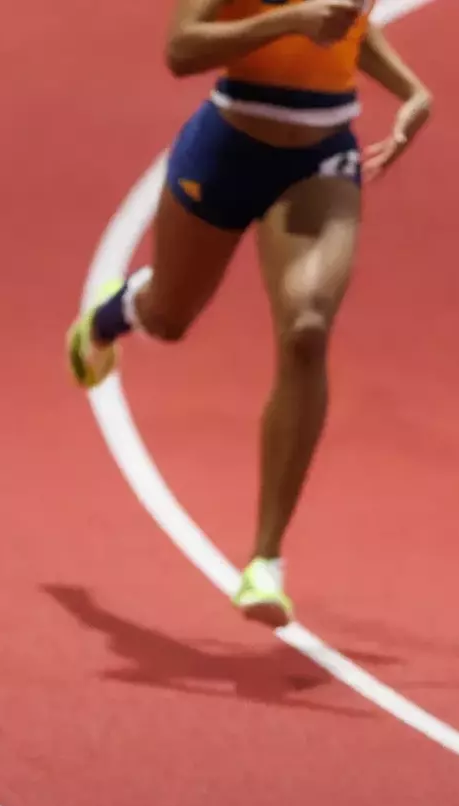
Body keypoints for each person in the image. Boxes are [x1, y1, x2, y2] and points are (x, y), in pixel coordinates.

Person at [66, 0, 432, 627]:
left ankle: (266, 560)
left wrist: (412, 90)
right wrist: (285, 22)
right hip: (229, 145)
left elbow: (345, 26)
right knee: (170, 316)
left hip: (323, 157)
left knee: (308, 331)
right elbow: (181, 50)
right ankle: (117, 314)